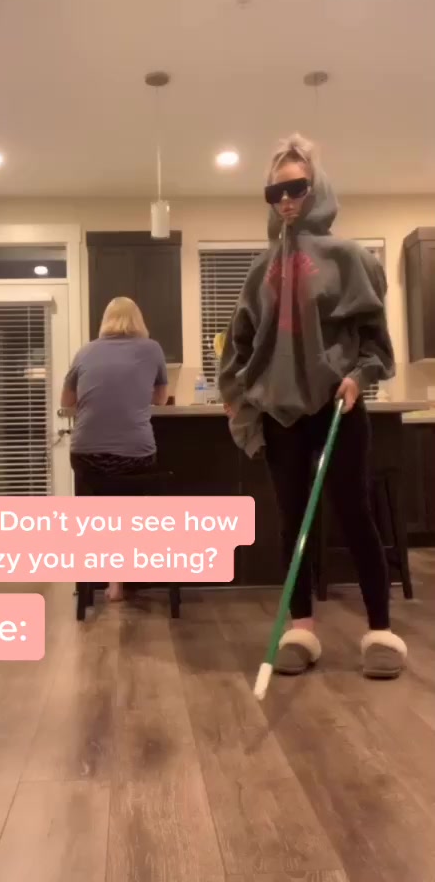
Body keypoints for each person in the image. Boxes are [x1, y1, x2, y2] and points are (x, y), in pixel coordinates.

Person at [219, 134, 407, 679]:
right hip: (281, 414)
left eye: (296, 188)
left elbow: (374, 343)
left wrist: (358, 378)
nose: (285, 200)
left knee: (355, 514)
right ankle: (300, 629)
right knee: (292, 521)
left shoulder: (349, 259)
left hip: (337, 407)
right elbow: (239, 345)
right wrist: (238, 399)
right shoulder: (260, 270)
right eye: (275, 191)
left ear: (316, 188)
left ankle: (380, 631)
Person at [61, 296, 168, 601]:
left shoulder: (85, 351)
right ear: (139, 320)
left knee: (101, 511)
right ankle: (120, 579)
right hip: (134, 456)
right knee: (126, 511)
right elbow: (161, 400)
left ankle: (103, 579)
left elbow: (66, 402)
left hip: (87, 456)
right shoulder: (152, 349)